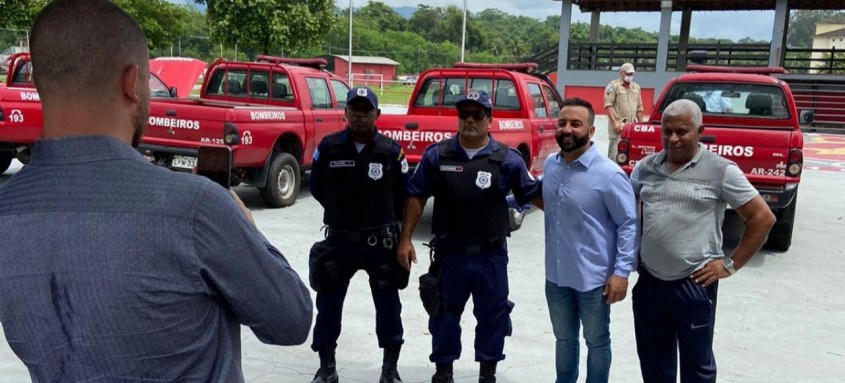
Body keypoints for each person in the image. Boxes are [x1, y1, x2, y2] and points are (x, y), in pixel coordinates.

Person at [0, 1, 313, 382]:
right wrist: (246, 226)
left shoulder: (7, 210)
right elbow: (291, 320)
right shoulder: (195, 209)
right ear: (132, 83)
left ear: (37, 83)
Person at [397, 90, 543, 383]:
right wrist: (405, 239)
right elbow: (416, 196)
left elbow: (535, 195)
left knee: (493, 315)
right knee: (444, 315)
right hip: (450, 254)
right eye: (465, 114)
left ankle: (487, 373)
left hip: (490, 255)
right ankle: (443, 371)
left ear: (490, 120)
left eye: (478, 115)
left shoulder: (507, 159)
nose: (470, 120)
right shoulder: (437, 155)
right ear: (458, 118)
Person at [630, 99, 776, 383]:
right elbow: (631, 209)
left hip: (694, 284)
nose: (673, 139)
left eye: (682, 131)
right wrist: (633, 250)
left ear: (699, 131)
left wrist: (730, 264)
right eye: (667, 131)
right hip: (650, 283)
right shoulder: (646, 167)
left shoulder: (720, 170)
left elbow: (762, 217)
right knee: (653, 362)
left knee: (697, 367)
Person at [309, 86, 410, 383]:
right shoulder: (329, 147)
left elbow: (403, 194)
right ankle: (327, 367)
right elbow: (316, 187)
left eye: (367, 110)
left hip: (380, 244)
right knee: (327, 306)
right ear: (346, 112)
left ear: (377, 114)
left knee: (389, 308)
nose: (360, 115)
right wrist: (341, 212)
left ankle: (389, 370)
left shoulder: (391, 151)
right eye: (355, 109)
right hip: (340, 242)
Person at [542, 98, 639, 383]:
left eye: (576, 124)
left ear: (591, 131)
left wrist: (621, 272)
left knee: (596, 342)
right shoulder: (550, 165)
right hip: (557, 277)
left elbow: (629, 224)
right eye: (562, 123)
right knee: (564, 339)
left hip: (594, 280)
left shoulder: (608, 174)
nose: (567, 129)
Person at [604, 62, 644, 161]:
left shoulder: (636, 87)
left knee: (628, 157)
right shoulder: (613, 86)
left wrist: (641, 124)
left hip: (631, 128)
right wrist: (614, 123)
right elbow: (608, 105)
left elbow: (639, 108)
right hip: (618, 127)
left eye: (631, 74)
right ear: (621, 73)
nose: (630, 76)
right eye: (628, 73)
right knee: (614, 156)